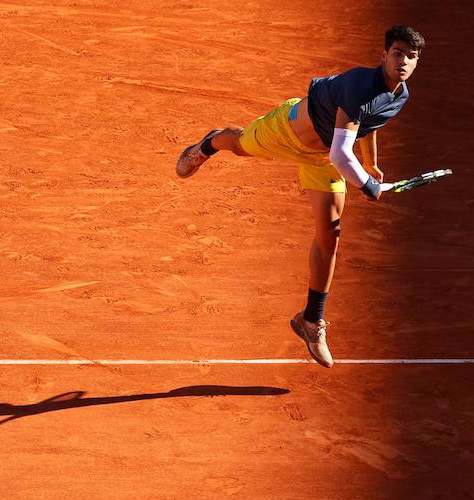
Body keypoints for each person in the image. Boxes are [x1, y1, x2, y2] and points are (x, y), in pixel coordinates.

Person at [175, 25, 425, 367]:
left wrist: (372, 163)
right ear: (383, 56)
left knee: (330, 236)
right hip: (287, 132)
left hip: (322, 160)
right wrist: (366, 184)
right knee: (239, 144)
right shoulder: (359, 88)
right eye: (397, 53)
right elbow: (342, 152)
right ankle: (207, 144)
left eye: (411, 57)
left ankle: (310, 320)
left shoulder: (400, 96)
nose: (404, 61)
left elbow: (368, 126)